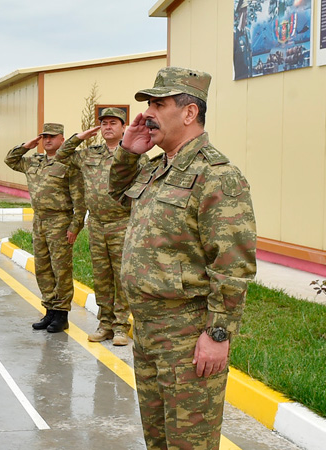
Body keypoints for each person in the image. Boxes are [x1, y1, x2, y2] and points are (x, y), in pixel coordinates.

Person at [109, 67, 256, 449]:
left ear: (189, 113)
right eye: (149, 104)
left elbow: (233, 264)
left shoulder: (216, 175)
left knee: (189, 444)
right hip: (147, 330)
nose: (148, 114)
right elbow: (115, 196)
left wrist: (217, 334)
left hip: (186, 337)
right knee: (156, 440)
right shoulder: (157, 168)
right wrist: (128, 152)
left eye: (159, 104)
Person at [56, 108, 146, 346]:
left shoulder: (133, 155)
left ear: (123, 127)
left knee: (121, 277)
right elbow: (61, 156)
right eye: (104, 123)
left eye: (113, 123)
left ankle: (120, 327)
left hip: (122, 223)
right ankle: (105, 324)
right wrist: (80, 137)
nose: (108, 127)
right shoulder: (88, 154)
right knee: (101, 276)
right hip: (96, 224)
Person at [5, 123, 86, 333]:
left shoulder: (69, 164)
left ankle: (62, 314)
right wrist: (27, 146)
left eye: (52, 136)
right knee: (42, 267)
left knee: (61, 269)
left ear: (62, 139)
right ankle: (49, 309)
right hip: (39, 220)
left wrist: (76, 225)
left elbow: (79, 198)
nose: (48, 140)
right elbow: (10, 160)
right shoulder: (34, 161)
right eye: (44, 137)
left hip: (60, 221)